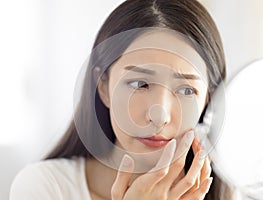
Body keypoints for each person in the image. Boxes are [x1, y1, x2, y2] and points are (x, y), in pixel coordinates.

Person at [10, 0, 233, 199]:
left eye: (186, 90)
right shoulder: (45, 187)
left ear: (209, 100)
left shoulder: (232, 194)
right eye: (140, 84)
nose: (160, 115)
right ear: (104, 86)